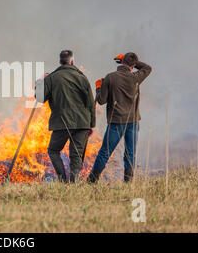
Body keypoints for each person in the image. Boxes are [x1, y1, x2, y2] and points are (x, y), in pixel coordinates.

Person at [88, 52, 152, 183]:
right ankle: (128, 182)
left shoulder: (110, 78)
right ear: (133, 66)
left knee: (105, 152)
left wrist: (98, 87)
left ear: (121, 62)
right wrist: (134, 62)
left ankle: (91, 181)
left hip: (116, 122)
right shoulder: (136, 77)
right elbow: (147, 68)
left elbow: (101, 101)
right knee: (130, 154)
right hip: (133, 122)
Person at [36, 50, 95, 182]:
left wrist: (41, 81)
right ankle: (74, 183)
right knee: (76, 154)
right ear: (72, 61)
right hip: (82, 122)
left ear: (60, 62)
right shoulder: (82, 78)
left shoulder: (52, 78)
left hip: (61, 122)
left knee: (53, 150)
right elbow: (91, 102)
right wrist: (91, 124)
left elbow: (39, 98)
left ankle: (63, 181)